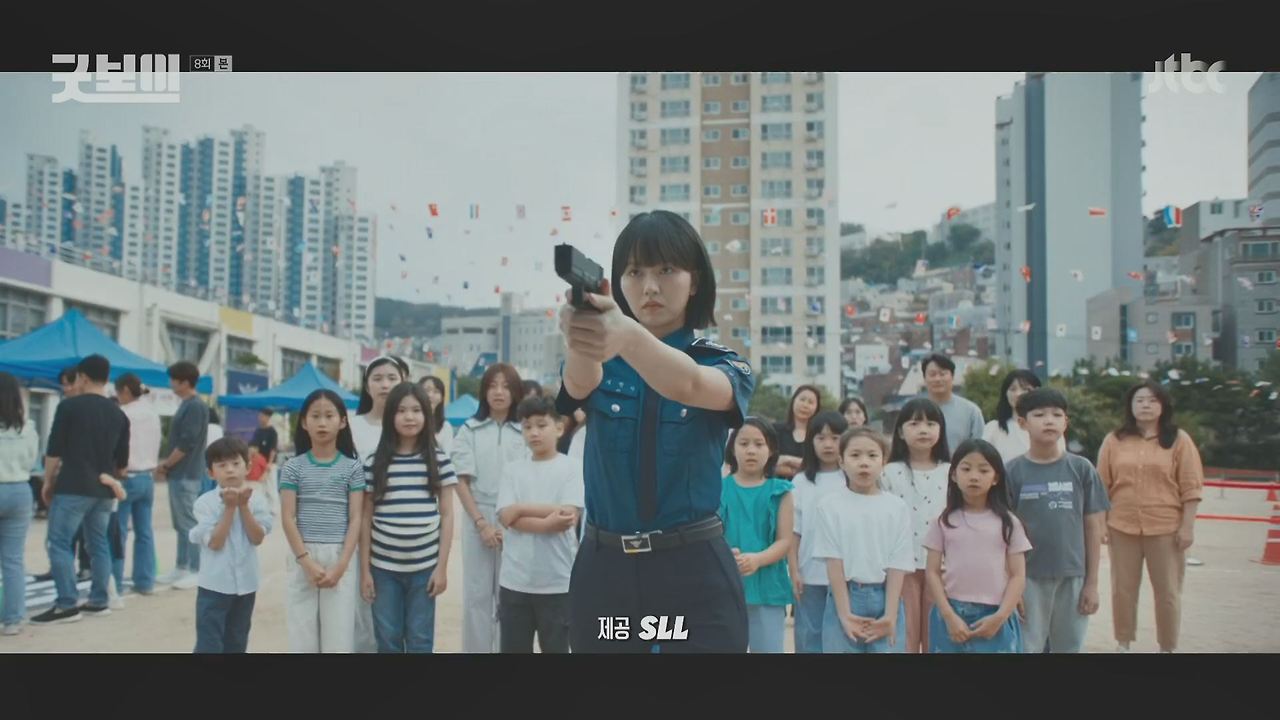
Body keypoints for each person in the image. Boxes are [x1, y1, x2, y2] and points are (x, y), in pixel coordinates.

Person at [556, 210, 755, 653]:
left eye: (666, 270)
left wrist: (626, 335)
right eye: (634, 272)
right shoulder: (605, 359)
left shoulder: (722, 361)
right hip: (608, 577)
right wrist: (582, 334)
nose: (649, 287)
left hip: (692, 578)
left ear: (694, 281)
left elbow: (690, 385)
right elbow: (578, 385)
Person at [1097, 380, 1203, 653]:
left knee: (1168, 592)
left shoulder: (1179, 440)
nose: (1145, 405)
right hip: (1121, 525)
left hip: (1166, 528)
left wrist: (1187, 527)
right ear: (1130, 406)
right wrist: (1101, 524)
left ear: (1163, 406)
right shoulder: (1114, 440)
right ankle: (1123, 643)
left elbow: (1191, 487)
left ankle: (1167, 647)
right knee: (1122, 589)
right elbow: (1101, 485)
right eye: (1139, 400)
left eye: (1152, 400)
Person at [1004, 388, 1110, 654]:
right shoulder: (1011, 472)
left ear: (1066, 422)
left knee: (1069, 646)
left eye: (1056, 414)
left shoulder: (1082, 469)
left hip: (1072, 576)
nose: (1049, 421)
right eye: (1039, 415)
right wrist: (1010, 585)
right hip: (1027, 577)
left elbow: (1093, 528)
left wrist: (1092, 584)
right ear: (1023, 423)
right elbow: (1003, 533)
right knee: (1027, 647)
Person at [31, 355, 130, 625]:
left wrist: (48, 481)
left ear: (82, 377)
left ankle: (66, 604)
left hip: (73, 485)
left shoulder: (69, 407)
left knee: (59, 542)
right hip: (104, 489)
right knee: (98, 544)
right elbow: (122, 464)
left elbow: (54, 450)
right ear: (106, 378)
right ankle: (99, 600)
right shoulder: (119, 414)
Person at [361, 382, 457, 653]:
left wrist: (441, 568)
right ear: (390, 416)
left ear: (427, 415)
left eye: (416, 410)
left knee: (420, 640)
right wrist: (365, 571)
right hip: (383, 569)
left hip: (424, 568)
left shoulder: (439, 460)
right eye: (401, 410)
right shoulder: (374, 461)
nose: (409, 417)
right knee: (388, 639)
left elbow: (448, 515)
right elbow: (365, 517)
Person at [924, 439, 1031, 653]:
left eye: (983, 470)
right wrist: (948, 616)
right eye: (966, 469)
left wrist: (1000, 617)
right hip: (951, 614)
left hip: (995, 615)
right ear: (954, 475)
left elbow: (1018, 575)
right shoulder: (943, 522)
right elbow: (932, 572)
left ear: (996, 478)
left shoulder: (1009, 523)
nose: (974, 476)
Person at [495, 395, 583, 654]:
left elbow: (567, 516)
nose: (534, 432)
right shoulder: (512, 470)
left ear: (559, 427)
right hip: (515, 580)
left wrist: (520, 509)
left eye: (541, 425)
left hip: (558, 581)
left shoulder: (572, 467)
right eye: (527, 426)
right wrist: (546, 519)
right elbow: (505, 517)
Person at [279, 389, 366, 653]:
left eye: (329, 416)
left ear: (342, 421)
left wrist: (342, 565)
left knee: (338, 639)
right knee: (302, 638)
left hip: (340, 555)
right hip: (303, 555)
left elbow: (356, 517)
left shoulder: (353, 467)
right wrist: (305, 561)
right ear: (304, 423)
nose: (322, 423)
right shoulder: (293, 467)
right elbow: (288, 516)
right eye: (315, 416)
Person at [452, 362, 530, 653]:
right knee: (476, 596)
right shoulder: (469, 430)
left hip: (516, 519)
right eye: (492, 386)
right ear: (484, 391)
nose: (499, 392)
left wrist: (510, 523)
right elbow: (461, 481)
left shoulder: (524, 431)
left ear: (516, 392)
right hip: (478, 517)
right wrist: (481, 524)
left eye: (506, 386)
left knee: (509, 597)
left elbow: (530, 478)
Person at [814, 427, 913, 653]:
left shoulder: (896, 507)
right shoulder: (829, 506)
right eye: (855, 455)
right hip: (845, 596)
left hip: (886, 597)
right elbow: (834, 562)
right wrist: (844, 614)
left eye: (872, 455)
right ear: (841, 461)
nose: (864, 463)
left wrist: (890, 615)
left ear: (884, 461)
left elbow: (898, 564)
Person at [348, 354, 410, 653]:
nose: (385, 385)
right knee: (361, 604)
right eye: (377, 378)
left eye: (392, 378)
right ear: (366, 385)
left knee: (400, 611)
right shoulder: (351, 425)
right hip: (357, 523)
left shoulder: (411, 426)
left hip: (398, 530)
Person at [880, 397, 951, 653]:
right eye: (914, 423)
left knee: (937, 636)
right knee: (904, 637)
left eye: (931, 424)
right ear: (900, 432)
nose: (923, 430)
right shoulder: (888, 472)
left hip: (942, 566)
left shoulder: (952, 472)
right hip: (901, 567)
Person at [719, 418, 794, 653]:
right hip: (725, 586)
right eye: (744, 443)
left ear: (771, 450)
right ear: (732, 448)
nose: (751, 450)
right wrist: (727, 555)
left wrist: (758, 559)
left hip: (768, 587)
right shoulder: (718, 489)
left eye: (759, 444)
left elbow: (785, 541)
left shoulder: (781, 492)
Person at [191, 437, 272, 653]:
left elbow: (257, 538)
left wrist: (243, 506)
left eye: (236, 463)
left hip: (246, 584)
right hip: (215, 584)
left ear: (248, 467)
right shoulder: (204, 503)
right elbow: (215, 543)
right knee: (209, 642)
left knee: (237, 640)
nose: (230, 470)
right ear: (211, 473)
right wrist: (229, 508)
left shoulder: (257, 500)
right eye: (222, 465)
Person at [786, 410, 848, 653]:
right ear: (811, 441)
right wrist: (794, 570)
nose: (828, 444)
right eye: (821, 438)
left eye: (835, 437)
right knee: (809, 637)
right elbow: (794, 531)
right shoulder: (801, 481)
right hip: (809, 574)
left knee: (841, 638)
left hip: (847, 576)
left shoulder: (852, 479)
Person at [155, 361, 208, 591]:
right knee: (181, 523)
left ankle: (197, 568)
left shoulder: (195, 406)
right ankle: (182, 565)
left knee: (188, 523)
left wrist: (166, 464)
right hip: (181, 473)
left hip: (187, 472)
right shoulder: (187, 404)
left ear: (185, 382)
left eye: (173, 380)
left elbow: (187, 442)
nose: (171, 384)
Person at [112, 373, 160, 599]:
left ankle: (115, 583)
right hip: (147, 476)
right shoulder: (152, 412)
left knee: (118, 532)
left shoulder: (123, 413)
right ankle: (145, 581)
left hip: (126, 476)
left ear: (125, 391)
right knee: (144, 532)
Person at [0, 372, 40, 635]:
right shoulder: (28, 427)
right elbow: (31, 461)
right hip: (19, 490)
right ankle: (13, 620)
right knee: (13, 560)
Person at [982, 369, 1064, 462]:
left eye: (1026, 389)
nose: (1018, 394)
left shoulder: (1050, 428)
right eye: (1013, 389)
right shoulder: (994, 429)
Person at [920, 353, 984, 452]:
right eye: (932, 374)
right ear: (924, 378)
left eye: (942, 374)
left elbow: (980, 449)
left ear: (952, 376)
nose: (937, 379)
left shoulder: (971, 411)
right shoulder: (915, 411)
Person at [772, 385, 821, 480]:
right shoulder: (775, 430)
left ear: (816, 408)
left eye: (810, 402)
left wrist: (787, 459)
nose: (805, 405)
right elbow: (768, 463)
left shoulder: (818, 435)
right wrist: (801, 466)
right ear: (793, 401)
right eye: (802, 399)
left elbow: (817, 466)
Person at [248, 409, 280, 516]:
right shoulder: (258, 431)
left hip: (269, 463)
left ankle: (274, 509)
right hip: (259, 462)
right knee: (261, 486)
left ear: (268, 417)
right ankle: (263, 508)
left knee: (271, 486)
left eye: (262, 416)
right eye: (259, 416)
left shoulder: (272, 432)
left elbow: (273, 449)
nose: (260, 418)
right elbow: (253, 446)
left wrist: (269, 463)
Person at [418, 375, 455, 458]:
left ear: (442, 398)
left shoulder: (445, 426)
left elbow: (447, 455)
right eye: (426, 390)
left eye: (436, 391)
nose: (430, 395)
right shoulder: (410, 421)